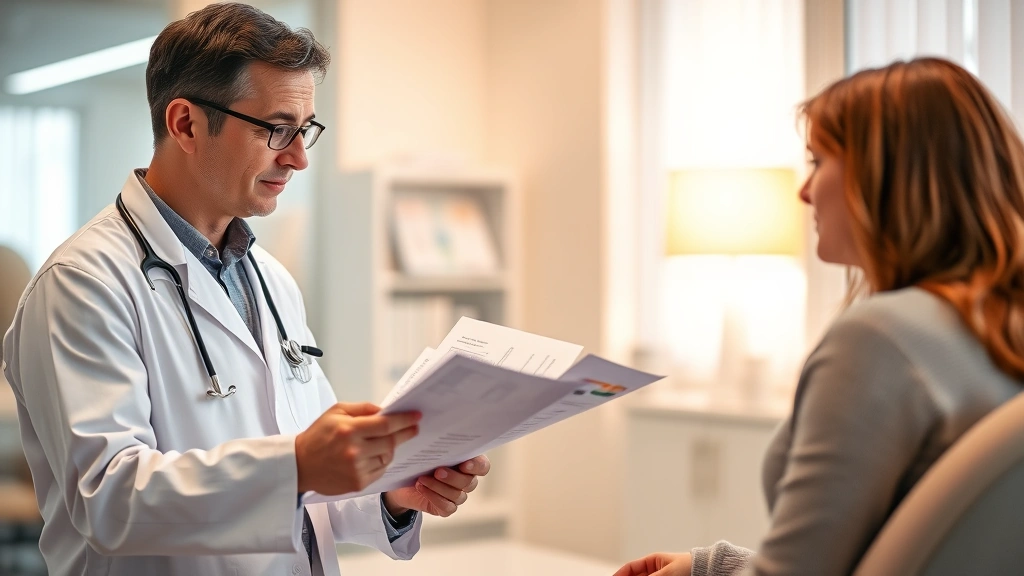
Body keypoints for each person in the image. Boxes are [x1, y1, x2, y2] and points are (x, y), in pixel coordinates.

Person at [1, 4, 489, 575]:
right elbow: (109, 501)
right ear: (185, 124)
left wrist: (388, 495)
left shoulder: (271, 280)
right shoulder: (83, 284)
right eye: (278, 129)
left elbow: (305, 481)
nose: (300, 157)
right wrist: (298, 467)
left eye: (305, 130)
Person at [615, 57, 1024, 576]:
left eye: (817, 161)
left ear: (884, 174)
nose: (803, 191)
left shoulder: (880, 341)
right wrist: (711, 568)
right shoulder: (996, 331)